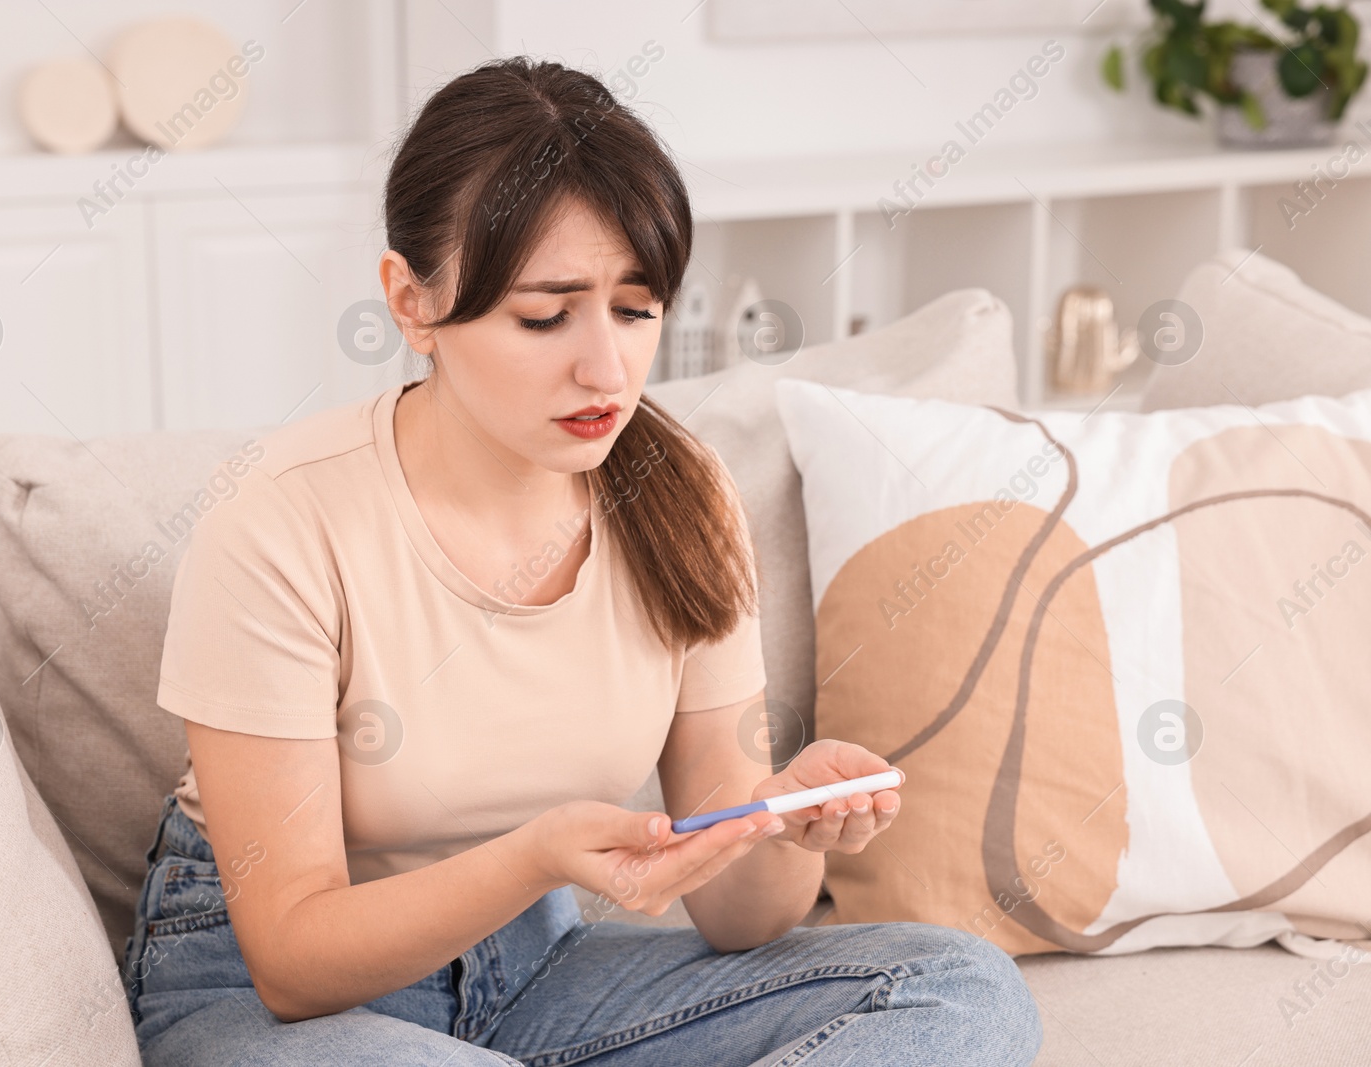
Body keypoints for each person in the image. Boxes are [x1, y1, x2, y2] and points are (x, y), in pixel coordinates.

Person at [121, 55, 1043, 1067]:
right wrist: (530, 856)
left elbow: (737, 919)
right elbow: (291, 957)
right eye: (545, 313)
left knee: (954, 988)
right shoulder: (279, 519)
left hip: (535, 968)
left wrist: (781, 826)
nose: (605, 368)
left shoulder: (683, 495)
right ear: (411, 299)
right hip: (274, 998)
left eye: (636, 307)